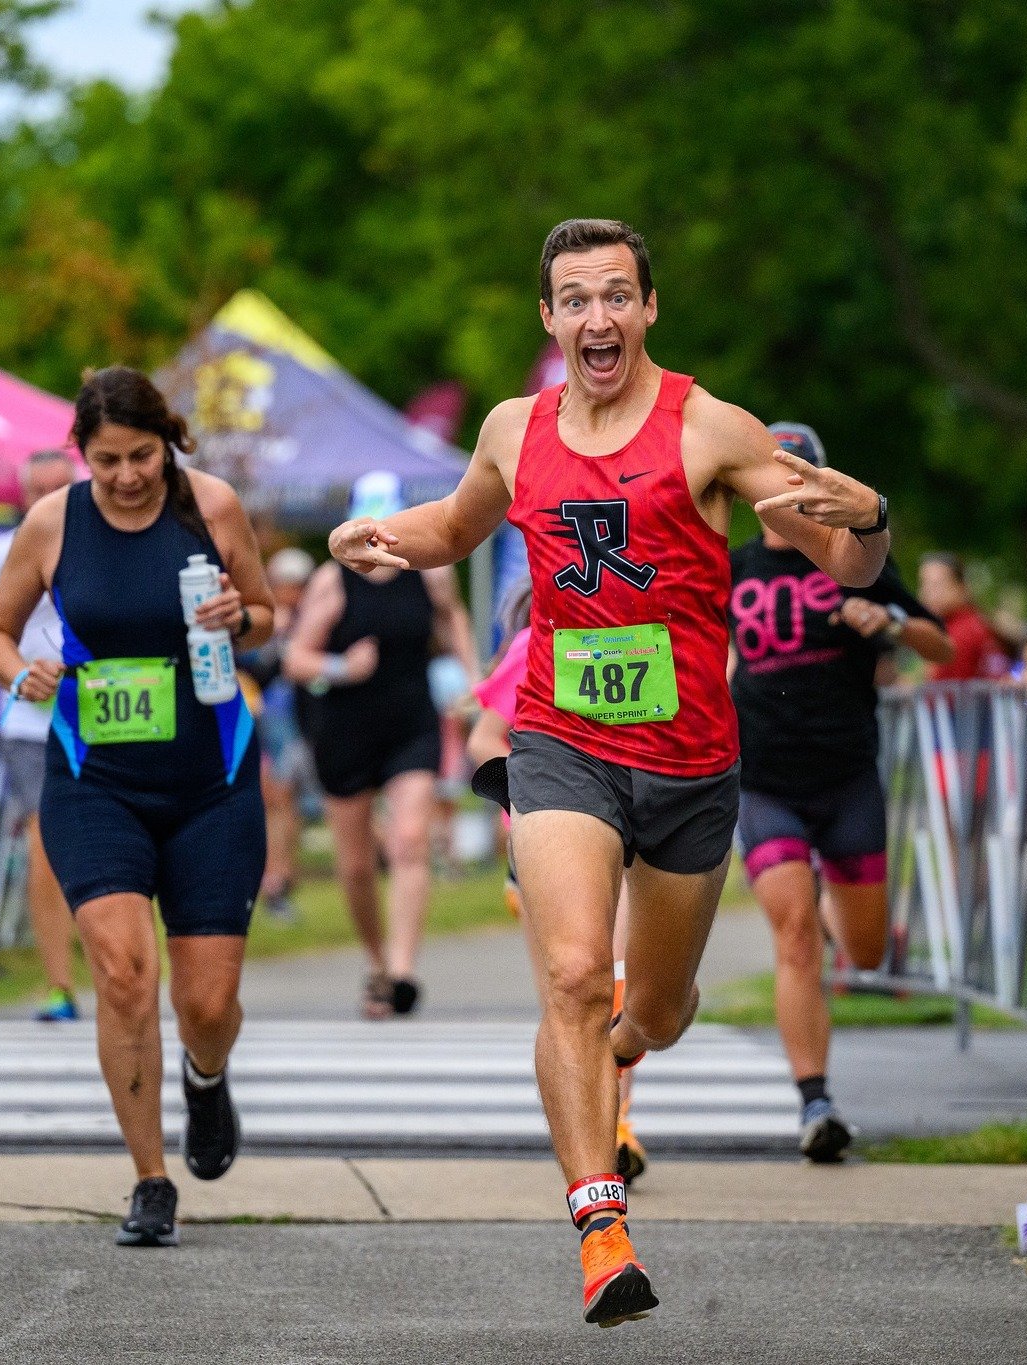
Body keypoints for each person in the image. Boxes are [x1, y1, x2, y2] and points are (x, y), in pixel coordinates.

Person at [327, 218, 889, 1327]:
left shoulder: (710, 427)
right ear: (549, 319)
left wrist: (869, 518)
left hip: (689, 765)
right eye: (575, 299)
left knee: (659, 1009)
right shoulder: (512, 428)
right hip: (560, 743)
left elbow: (844, 554)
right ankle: (600, 1231)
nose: (598, 318)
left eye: (617, 296)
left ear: (647, 310)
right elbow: (456, 522)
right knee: (578, 974)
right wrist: (383, 538)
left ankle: (634, 1048)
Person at [0, 366, 273, 1249]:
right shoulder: (52, 522)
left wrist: (238, 617)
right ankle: (150, 1179)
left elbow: (263, 609)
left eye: (141, 455)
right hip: (93, 777)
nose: (128, 476)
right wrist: (15, 671)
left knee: (208, 1002)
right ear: (84, 455)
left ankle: (206, 1075)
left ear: (167, 440)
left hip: (211, 780)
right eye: (108, 462)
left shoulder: (210, 505)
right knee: (123, 972)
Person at [729, 422, 954, 1161]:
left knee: (859, 948)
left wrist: (886, 618)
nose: (785, 495)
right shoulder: (729, 569)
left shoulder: (854, 560)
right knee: (794, 936)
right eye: (773, 479)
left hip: (847, 774)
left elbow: (941, 643)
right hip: (766, 779)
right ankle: (815, 1102)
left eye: (801, 480)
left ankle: (833, 907)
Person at [468, 577, 647, 1186]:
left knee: (616, 984)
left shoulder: (639, 643)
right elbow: (483, 738)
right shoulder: (531, 649)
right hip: (547, 843)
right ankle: (587, 1135)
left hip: (624, 832)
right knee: (570, 994)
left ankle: (617, 1126)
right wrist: (529, 804)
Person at [284, 470, 478, 1018]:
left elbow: (453, 616)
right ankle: (375, 960)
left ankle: (400, 970)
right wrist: (342, 665)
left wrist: (471, 676)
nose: (378, 538)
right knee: (355, 864)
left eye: (387, 524)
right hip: (344, 729)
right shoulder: (329, 582)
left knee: (411, 840)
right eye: (368, 526)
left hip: (410, 723)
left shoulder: (428, 571)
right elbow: (296, 659)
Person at [0, 449, 80, 1020]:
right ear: (23, 497)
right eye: (40, 491)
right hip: (33, 724)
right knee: (45, 845)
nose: (51, 502)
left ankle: (124, 972)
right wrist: (19, 674)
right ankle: (60, 985)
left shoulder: (105, 543)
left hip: (111, 720)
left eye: (62, 489)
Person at [239, 547, 317, 919]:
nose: (294, 594)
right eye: (288, 586)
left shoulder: (310, 618)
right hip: (261, 720)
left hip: (295, 722)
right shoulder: (264, 619)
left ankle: (282, 881)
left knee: (287, 802)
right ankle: (271, 883)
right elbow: (250, 670)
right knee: (272, 799)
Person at [917, 553, 1012, 681]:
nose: (927, 592)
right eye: (924, 584)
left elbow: (943, 692)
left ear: (961, 587)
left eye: (937, 585)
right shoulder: (977, 623)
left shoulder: (959, 632)